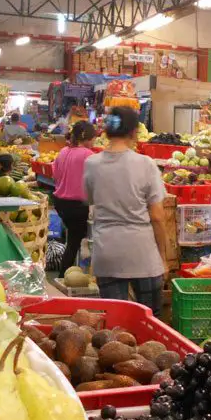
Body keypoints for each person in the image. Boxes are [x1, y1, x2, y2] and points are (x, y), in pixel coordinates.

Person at [83, 107, 168, 315]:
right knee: (150, 322)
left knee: (115, 324)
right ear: (133, 132)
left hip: (107, 252)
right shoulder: (146, 164)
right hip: (142, 254)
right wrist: (163, 257)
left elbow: (89, 200)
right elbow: (157, 216)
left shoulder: (91, 164)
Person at [52, 122, 96, 276]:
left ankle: (68, 274)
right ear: (88, 139)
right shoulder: (88, 155)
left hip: (60, 203)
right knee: (77, 241)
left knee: (73, 240)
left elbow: (55, 176)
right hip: (78, 207)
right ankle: (68, 276)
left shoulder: (63, 151)